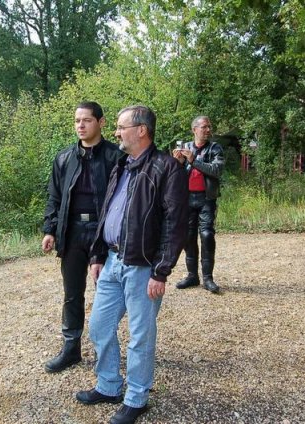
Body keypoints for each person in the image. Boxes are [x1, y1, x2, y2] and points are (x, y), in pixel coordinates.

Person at [76, 105, 188, 424]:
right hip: (112, 260)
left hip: (143, 266)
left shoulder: (167, 168)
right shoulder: (122, 164)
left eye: (121, 127)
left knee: (140, 336)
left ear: (141, 130)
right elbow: (108, 211)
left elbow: (175, 224)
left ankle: (137, 397)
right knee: (99, 326)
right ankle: (109, 385)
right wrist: (98, 255)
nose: (116, 132)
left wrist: (161, 270)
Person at [42, 101, 123, 373]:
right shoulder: (64, 158)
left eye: (86, 120)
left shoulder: (116, 157)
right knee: (72, 293)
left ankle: (105, 349)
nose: (80, 125)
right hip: (73, 230)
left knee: (107, 293)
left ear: (101, 122)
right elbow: (54, 197)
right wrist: (50, 230)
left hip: (104, 232)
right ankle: (71, 348)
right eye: (77, 120)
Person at [172, 115, 225, 294]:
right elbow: (175, 175)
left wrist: (193, 160)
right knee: (188, 236)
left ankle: (208, 278)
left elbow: (216, 170)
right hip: (187, 198)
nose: (208, 130)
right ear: (194, 129)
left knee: (207, 234)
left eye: (209, 127)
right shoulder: (186, 147)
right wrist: (178, 163)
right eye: (204, 127)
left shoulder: (215, 148)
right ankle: (192, 275)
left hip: (206, 198)